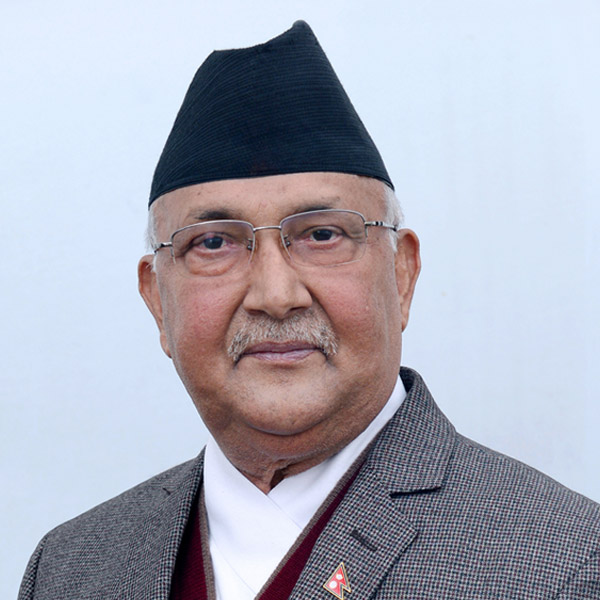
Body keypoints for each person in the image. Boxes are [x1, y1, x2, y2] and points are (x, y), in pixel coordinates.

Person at [19, 20, 600, 600]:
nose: (276, 296)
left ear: (402, 275)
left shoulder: (566, 562)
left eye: (322, 234)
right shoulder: (71, 569)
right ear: (156, 301)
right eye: (213, 243)